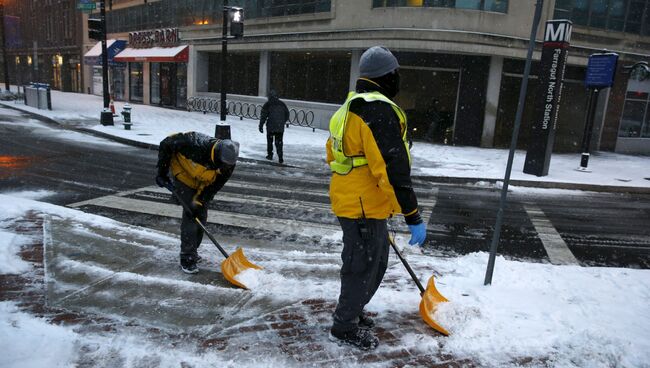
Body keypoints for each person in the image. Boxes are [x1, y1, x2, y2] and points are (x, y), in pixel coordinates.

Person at [326, 46, 427, 350]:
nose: (398, 79)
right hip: (361, 205)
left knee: (376, 261)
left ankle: (352, 311)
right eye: (395, 73)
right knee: (361, 265)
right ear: (387, 76)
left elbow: (332, 153)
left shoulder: (350, 106)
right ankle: (344, 326)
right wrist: (412, 215)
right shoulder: (377, 110)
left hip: (358, 199)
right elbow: (392, 167)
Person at [155, 131, 239, 274]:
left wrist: (201, 200)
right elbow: (166, 144)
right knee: (191, 218)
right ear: (217, 155)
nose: (226, 168)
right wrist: (162, 173)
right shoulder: (193, 144)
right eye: (224, 165)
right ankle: (187, 257)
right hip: (184, 176)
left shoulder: (228, 164)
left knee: (201, 217)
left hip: (203, 183)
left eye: (228, 166)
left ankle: (193, 249)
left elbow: (214, 186)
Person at [259, 90, 290, 164]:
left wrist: (261, 125)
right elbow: (287, 114)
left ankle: (270, 155)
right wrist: (282, 122)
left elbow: (263, 115)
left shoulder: (268, 104)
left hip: (271, 126)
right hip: (280, 127)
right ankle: (280, 157)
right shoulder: (282, 104)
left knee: (270, 141)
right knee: (279, 142)